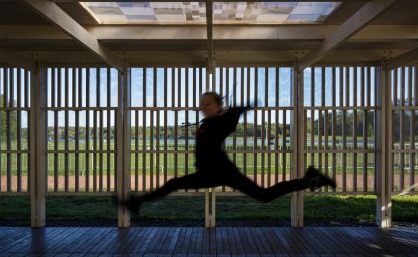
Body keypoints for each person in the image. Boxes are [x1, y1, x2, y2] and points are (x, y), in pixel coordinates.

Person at [119, 91, 335, 213]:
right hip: (207, 173)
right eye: (201, 104)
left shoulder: (224, 119)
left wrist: (243, 106)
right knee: (174, 183)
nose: (203, 107)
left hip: (223, 172)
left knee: (265, 196)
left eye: (207, 104)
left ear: (217, 105)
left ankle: (311, 179)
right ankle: (138, 202)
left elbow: (235, 113)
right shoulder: (208, 121)